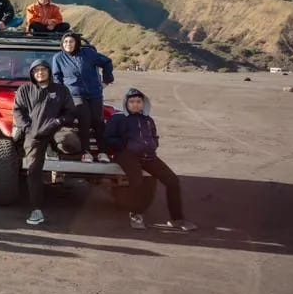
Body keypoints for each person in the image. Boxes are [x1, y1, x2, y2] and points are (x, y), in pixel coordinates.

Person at [104, 88, 196, 232]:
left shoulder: (148, 120)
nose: (135, 105)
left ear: (143, 103)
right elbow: (108, 138)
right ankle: (136, 215)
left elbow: (154, 137)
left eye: (138, 102)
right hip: (126, 155)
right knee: (138, 181)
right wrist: (125, 146)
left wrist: (153, 144)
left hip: (148, 156)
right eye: (132, 102)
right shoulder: (118, 118)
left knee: (172, 181)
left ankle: (177, 219)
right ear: (126, 104)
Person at [12, 58, 78, 227]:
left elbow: (70, 112)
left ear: (49, 71)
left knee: (71, 142)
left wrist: (58, 122)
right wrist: (27, 128)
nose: (40, 73)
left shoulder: (61, 90)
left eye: (43, 69)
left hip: (55, 129)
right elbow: (18, 111)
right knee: (33, 169)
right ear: (32, 74)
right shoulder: (24, 89)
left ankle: (64, 172)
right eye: (36, 70)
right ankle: (36, 209)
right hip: (34, 133)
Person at [53, 32, 115, 162]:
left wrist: (106, 81)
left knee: (98, 120)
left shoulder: (88, 53)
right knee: (85, 120)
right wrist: (61, 94)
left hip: (95, 93)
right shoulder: (58, 58)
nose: (68, 44)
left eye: (71, 42)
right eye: (65, 42)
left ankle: (103, 152)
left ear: (76, 43)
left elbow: (107, 62)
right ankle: (85, 152)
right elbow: (57, 77)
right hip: (75, 94)